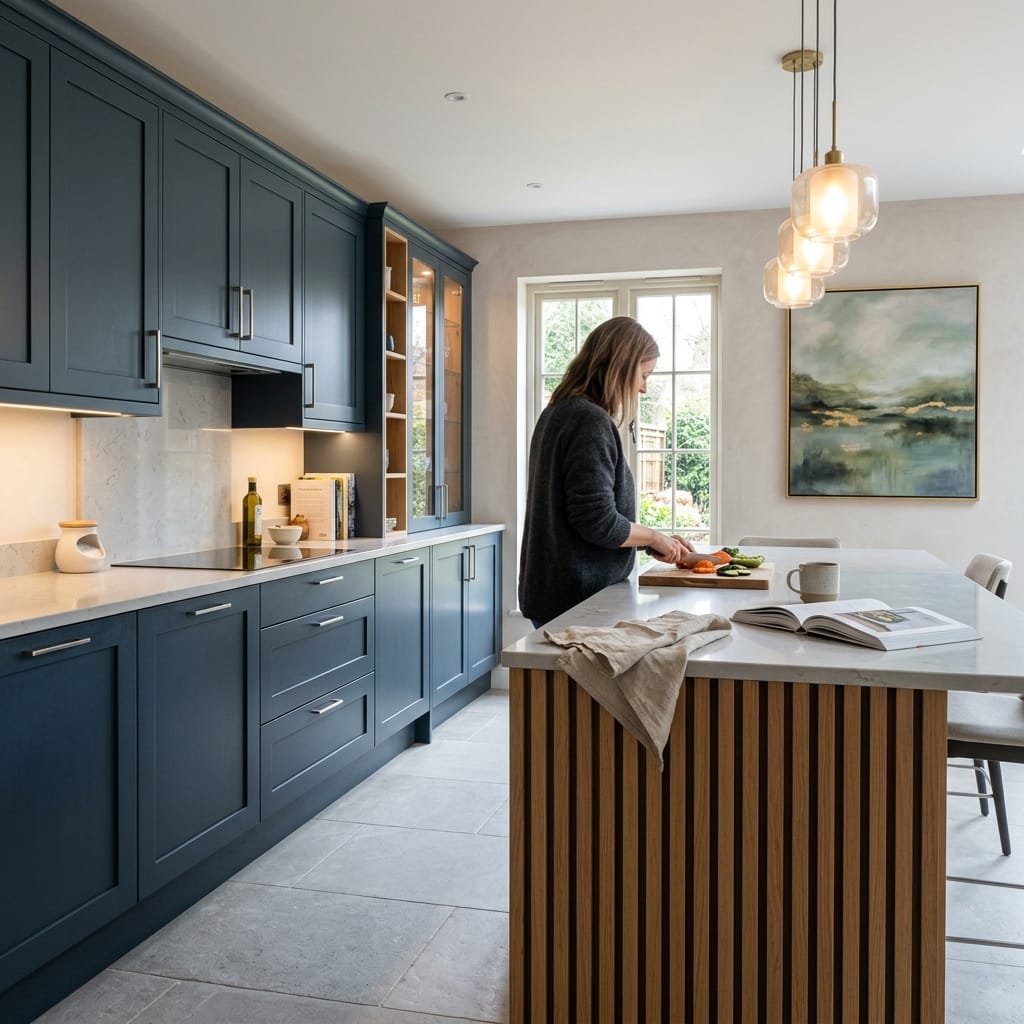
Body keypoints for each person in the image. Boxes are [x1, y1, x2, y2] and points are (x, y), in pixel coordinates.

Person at [519, 316, 695, 628]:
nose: (643, 389)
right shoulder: (588, 421)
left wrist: (652, 543)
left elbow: (583, 517)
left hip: (557, 595)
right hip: (578, 603)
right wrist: (654, 536)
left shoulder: (559, 412)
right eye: (643, 376)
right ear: (620, 369)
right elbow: (597, 521)